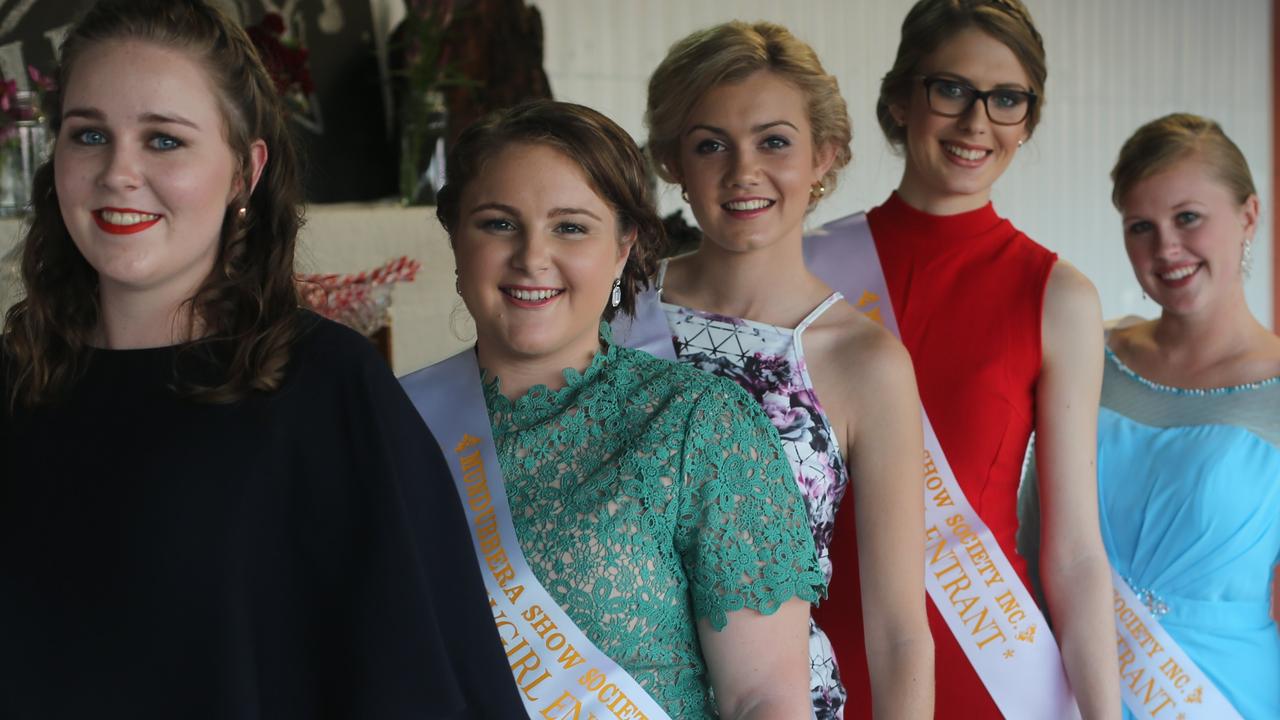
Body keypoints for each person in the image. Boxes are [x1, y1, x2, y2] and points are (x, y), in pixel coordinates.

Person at [0, 1, 523, 717]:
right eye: (88, 134)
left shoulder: (326, 387)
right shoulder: (15, 381)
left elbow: (420, 679)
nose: (118, 172)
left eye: (164, 141)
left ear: (245, 171)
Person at [401, 99, 825, 719]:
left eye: (571, 227)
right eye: (498, 223)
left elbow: (763, 699)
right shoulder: (391, 424)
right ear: (456, 238)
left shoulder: (698, 423)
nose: (531, 257)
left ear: (624, 246)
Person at [806, 1, 1121, 717]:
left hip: (990, 672)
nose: (977, 122)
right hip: (815, 663)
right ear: (899, 99)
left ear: (1027, 121)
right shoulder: (809, 265)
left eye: (1007, 98)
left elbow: (1072, 549)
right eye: (951, 88)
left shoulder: (1059, 295)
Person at [635, 20, 932, 719]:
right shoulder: (614, 315)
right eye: (711, 144)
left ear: (824, 155)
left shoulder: (867, 362)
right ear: (673, 161)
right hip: (610, 696)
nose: (744, 172)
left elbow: (897, 632)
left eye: (774, 142)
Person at [1021, 113, 1280, 719]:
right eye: (1141, 226)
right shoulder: (1089, 351)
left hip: (1222, 694)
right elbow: (1034, 531)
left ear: (1248, 215)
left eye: (1188, 217)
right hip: (1061, 682)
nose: (1165, 248)